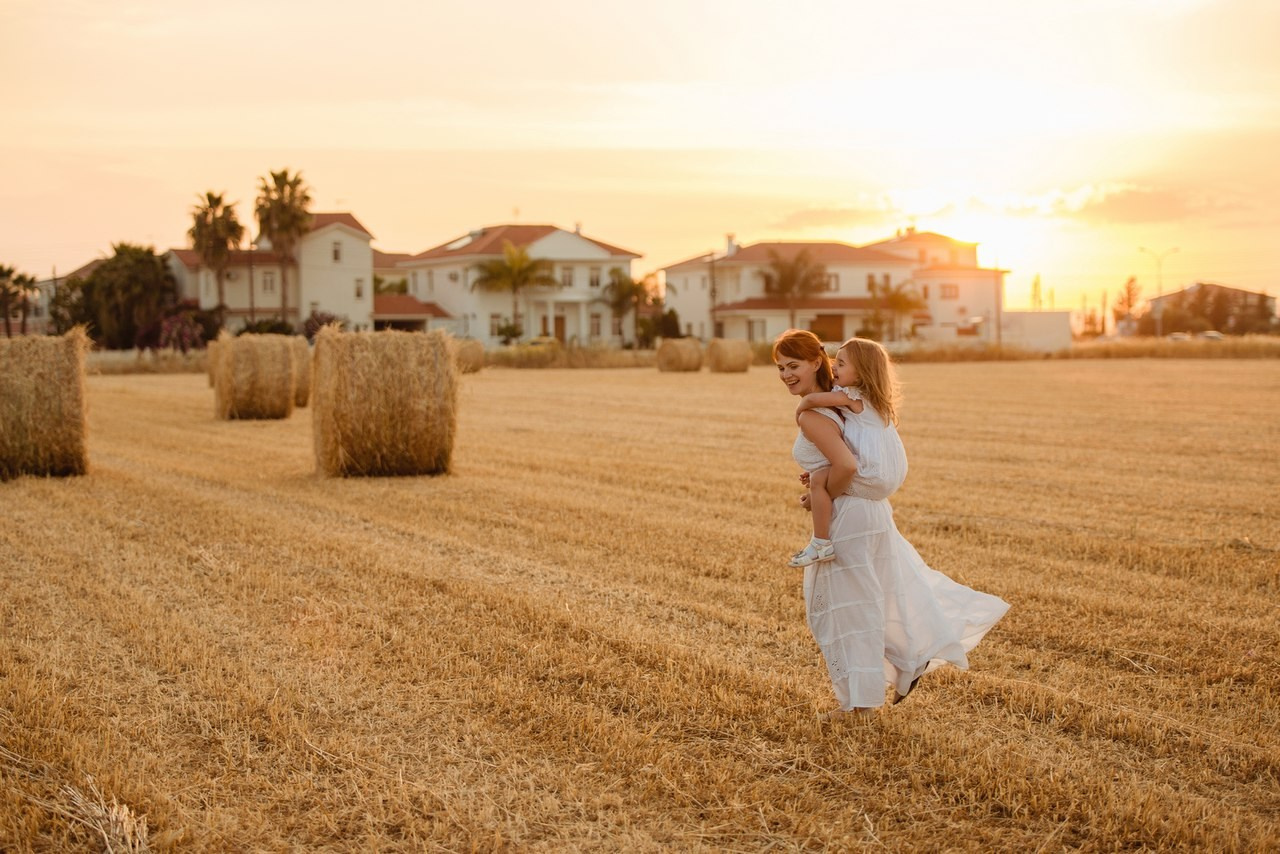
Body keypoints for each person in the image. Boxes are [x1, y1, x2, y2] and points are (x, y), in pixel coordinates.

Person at [773, 329, 1009, 718]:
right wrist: (819, 479)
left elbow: (847, 466)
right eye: (781, 368)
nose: (785, 375)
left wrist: (821, 492)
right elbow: (849, 458)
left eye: (793, 365)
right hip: (873, 512)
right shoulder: (849, 401)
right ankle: (907, 660)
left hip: (851, 515)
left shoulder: (815, 413)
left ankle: (862, 704)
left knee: (851, 609)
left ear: (817, 362)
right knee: (879, 595)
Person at [786, 338, 907, 566]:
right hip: (887, 474)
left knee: (818, 480)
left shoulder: (851, 395)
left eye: (841, 364)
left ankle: (821, 543)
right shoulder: (872, 400)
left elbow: (813, 399)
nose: (833, 367)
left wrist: (801, 409)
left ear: (860, 375)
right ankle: (820, 540)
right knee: (819, 477)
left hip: (872, 473)